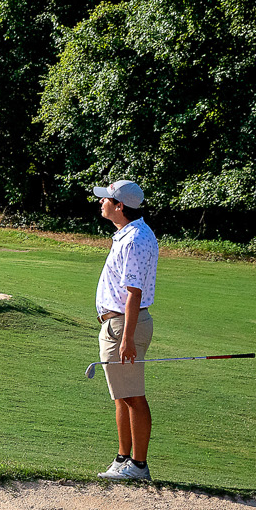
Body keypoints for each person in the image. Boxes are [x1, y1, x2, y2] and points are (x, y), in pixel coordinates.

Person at [92, 180, 158, 481]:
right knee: (122, 395)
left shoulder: (134, 240)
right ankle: (123, 459)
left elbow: (135, 293)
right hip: (117, 324)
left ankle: (139, 465)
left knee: (133, 396)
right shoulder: (128, 234)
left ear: (120, 206)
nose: (101, 202)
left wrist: (127, 338)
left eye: (106, 199)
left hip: (124, 326)